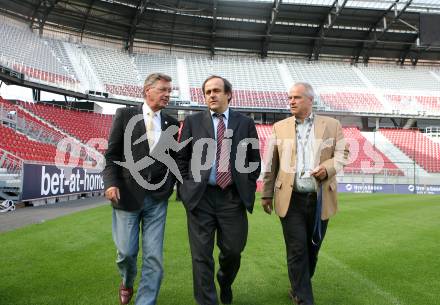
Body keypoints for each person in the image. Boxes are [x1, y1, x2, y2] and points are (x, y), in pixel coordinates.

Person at [261, 82, 349, 305]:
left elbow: (342, 154)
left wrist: (327, 168)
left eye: (297, 97)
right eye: (290, 97)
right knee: (297, 249)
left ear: (310, 100)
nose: (291, 101)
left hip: (320, 199)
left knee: (312, 250)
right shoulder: (279, 127)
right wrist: (266, 194)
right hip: (290, 199)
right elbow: (271, 163)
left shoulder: (332, 125)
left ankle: (298, 285)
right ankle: (304, 299)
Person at [177, 75, 261, 305]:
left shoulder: (245, 123)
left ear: (228, 94)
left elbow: (254, 161)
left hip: (232, 197)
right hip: (200, 198)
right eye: (207, 92)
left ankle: (224, 281)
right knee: (201, 256)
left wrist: (247, 185)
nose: (211, 95)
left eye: (216, 90)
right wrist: (187, 189)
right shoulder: (193, 122)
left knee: (233, 251)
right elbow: (181, 159)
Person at [102, 73, 179, 305]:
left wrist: (169, 185)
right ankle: (127, 281)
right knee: (126, 253)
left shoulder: (173, 123)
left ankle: (145, 301)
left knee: (153, 256)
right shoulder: (125, 115)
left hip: (157, 199)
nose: (168, 95)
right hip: (126, 195)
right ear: (148, 91)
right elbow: (112, 155)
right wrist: (111, 183)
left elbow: (173, 159)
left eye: (170, 91)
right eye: (163, 90)